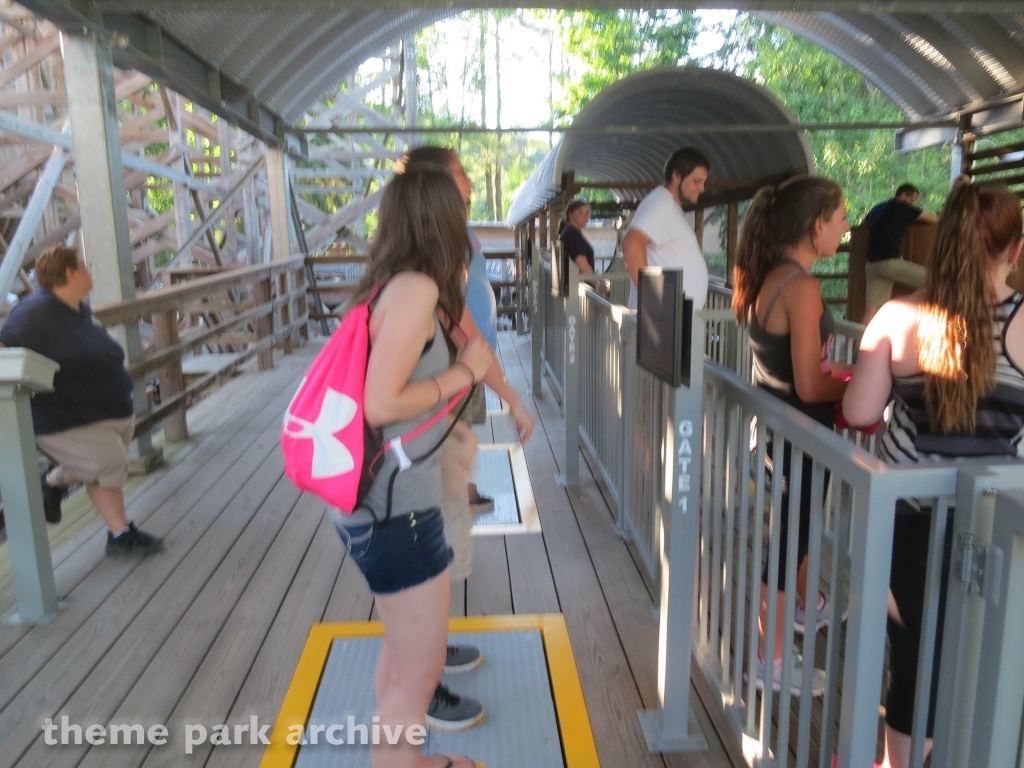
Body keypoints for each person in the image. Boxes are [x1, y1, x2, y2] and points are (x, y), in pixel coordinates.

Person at [842, 180, 1024, 768]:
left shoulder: (897, 318)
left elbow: (860, 413)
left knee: (915, 653)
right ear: (1015, 251)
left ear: (939, 242)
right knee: (986, 657)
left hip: (911, 518)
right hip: (999, 528)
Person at [332, 165, 492, 768]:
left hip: (378, 504)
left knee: (402, 661)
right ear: (442, 220)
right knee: (418, 676)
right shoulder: (417, 291)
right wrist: (465, 373)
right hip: (395, 512)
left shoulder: (390, 284)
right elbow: (381, 402)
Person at [394, 146, 536, 733]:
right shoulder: (426, 270)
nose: (471, 183)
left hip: (442, 413)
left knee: (441, 538)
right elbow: (464, 332)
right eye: (460, 175)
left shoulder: (422, 259)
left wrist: (495, 389)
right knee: (433, 545)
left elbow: (465, 331)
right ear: (434, 189)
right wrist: (498, 390)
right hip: (431, 420)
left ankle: (429, 653)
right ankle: (422, 680)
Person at [731, 176, 852, 696]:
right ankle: (772, 659)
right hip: (801, 437)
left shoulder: (768, 278)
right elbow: (809, 381)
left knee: (792, 535)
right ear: (815, 225)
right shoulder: (801, 287)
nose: (846, 228)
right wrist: (861, 384)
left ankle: (800, 611)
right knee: (791, 542)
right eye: (842, 218)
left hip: (779, 433)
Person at [0, 245, 162, 555]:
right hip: (67, 414)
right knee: (108, 462)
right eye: (83, 266)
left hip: (103, 408)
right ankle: (115, 530)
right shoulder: (33, 311)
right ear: (70, 273)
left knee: (108, 465)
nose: (89, 270)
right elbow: (5, 344)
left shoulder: (76, 307)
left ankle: (65, 492)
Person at [622, 147, 710, 310]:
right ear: (676, 176)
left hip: (669, 319)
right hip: (661, 320)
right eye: (697, 181)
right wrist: (652, 300)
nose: (702, 188)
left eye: (703, 182)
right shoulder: (661, 205)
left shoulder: (667, 205)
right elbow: (631, 243)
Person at [863, 183, 939, 322]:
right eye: (911, 200)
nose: (911, 204)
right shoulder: (902, 208)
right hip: (889, 262)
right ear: (903, 195)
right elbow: (934, 218)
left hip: (871, 264)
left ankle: (858, 343)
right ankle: (909, 315)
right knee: (934, 281)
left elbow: (863, 223)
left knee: (872, 310)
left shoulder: (877, 208)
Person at [558, 198, 595, 280]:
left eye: (587, 212)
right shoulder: (571, 235)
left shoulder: (569, 232)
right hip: (577, 286)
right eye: (580, 212)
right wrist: (596, 283)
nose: (586, 216)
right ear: (570, 214)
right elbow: (582, 265)